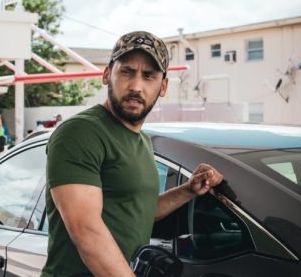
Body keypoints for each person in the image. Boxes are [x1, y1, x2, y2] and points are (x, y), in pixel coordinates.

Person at [42, 31, 223, 276]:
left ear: (163, 86)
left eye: (149, 76)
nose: (136, 86)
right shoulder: (81, 132)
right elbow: (85, 230)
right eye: (127, 72)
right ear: (107, 75)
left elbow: (138, 211)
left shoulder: (142, 142)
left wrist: (189, 190)